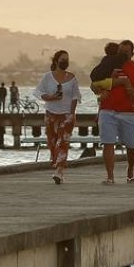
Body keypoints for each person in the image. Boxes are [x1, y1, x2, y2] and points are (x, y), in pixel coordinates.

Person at [95, 39, 134, 184]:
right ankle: (110, 176)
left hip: (129, 112)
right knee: (107, 143)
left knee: (131, 145)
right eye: (120, 52)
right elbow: (95, 82)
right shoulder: (107, 66)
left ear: (132, 53)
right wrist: (99, 92)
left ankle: (130, 170)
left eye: (125, 52)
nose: (122, 55)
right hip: (107, 110)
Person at [36, 49, 81, 184]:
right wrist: (51, 97)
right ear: (56, 61)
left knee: (63, 142)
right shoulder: (47, 77)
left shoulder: (72, 78)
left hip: (66, 115)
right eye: (63, 59)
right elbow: (39, 92)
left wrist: (71, 114)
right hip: (51, 114)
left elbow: (75, 97)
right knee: (52, 142)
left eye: (67, 59)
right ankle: (55, 161)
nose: (65, 62)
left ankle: (59, 171)